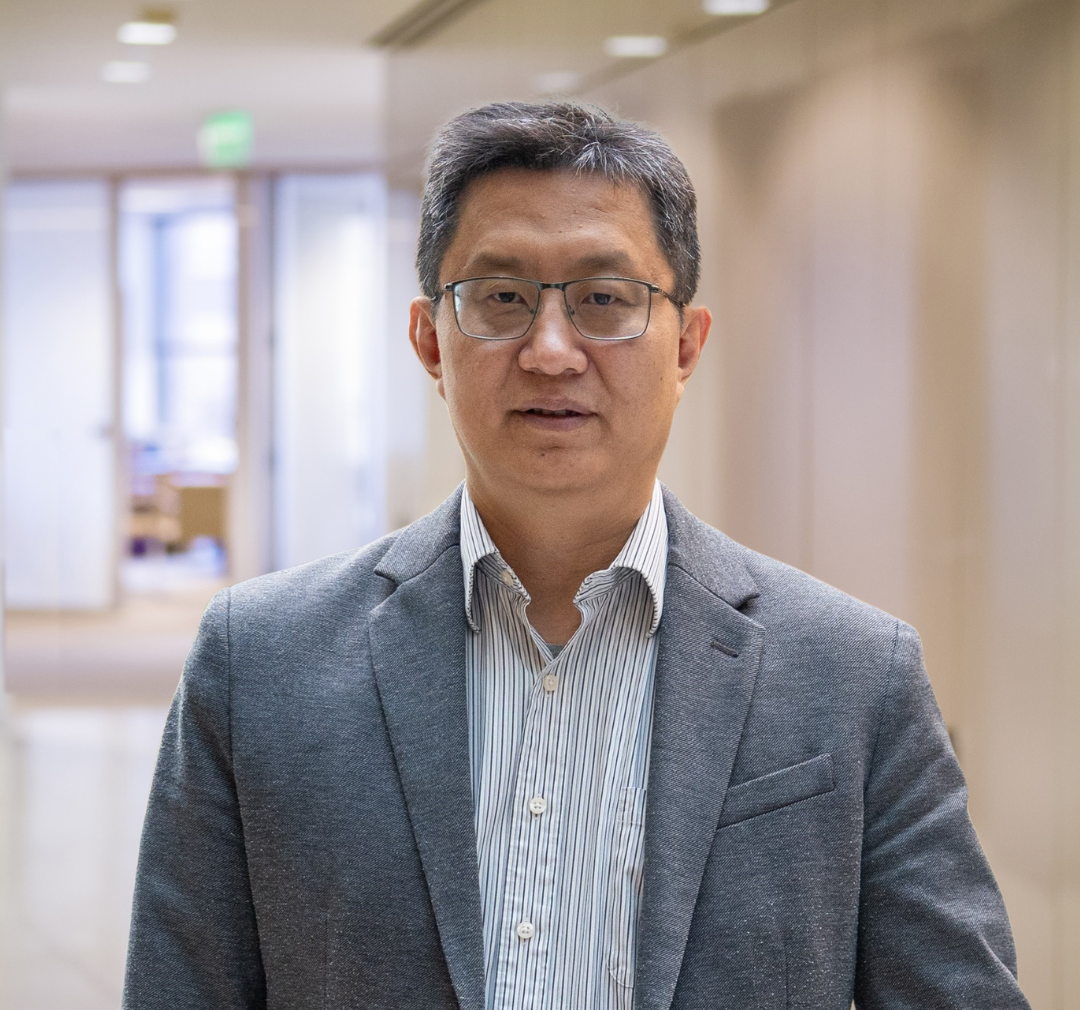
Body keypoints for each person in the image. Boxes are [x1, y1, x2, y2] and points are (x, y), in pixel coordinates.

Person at [123, 102, 1029, 1010]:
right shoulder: (259, 664)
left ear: (687, 345)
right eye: (501, 298)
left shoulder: (854, 676)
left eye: (605, 299)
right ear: (431, 340)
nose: (552, 352)